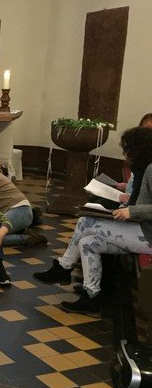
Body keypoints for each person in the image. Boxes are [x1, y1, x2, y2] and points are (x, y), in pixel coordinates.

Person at [33, 127, 152, 315]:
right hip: (140, 228)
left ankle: (64, 267)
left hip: (147, 234)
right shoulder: (144, 167)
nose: (125, 154)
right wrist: (127, 205)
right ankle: (91, 295)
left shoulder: (151, 169)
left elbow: (143, 207)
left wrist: (131, 210)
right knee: (88, 243)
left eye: (127, 149)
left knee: (86, 222)